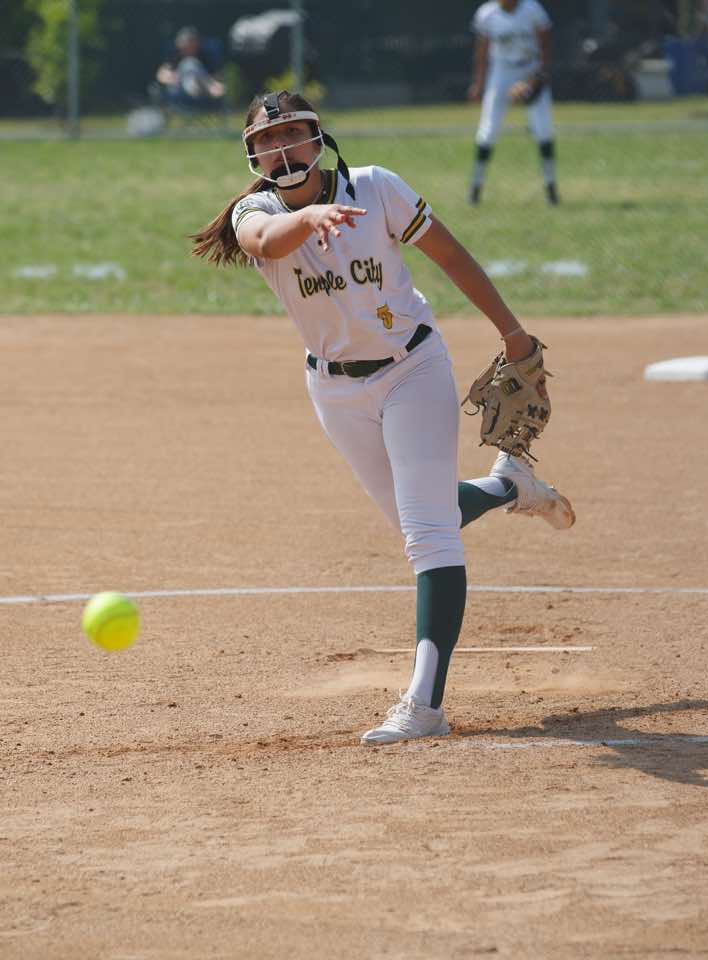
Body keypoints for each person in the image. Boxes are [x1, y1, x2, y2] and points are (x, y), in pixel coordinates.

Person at [191, 90, 575, 745]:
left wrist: (512, 333)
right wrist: (310, 218)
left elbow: (451, 256)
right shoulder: (255, 212)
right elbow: (263, 240)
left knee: (429, 536)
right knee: (422, 518)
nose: (282, 148)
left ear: (318, 138)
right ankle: (510, 486)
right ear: (253, 154)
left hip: (412, 370)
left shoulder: (376, 188)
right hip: (334, 391)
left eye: (292, 133)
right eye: (267, 140)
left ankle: (425, 705)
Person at [467, 0, 559, 206]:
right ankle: (475, 187)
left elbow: (545, 43)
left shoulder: (532, 9)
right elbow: (482, 51)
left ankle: (551, 188)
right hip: (501, 71)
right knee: (488, 129)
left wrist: (539, 75)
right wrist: (478, 84)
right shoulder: (487, 13)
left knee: (544, 129)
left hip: (529, 68)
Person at [153, 26, 226, 110]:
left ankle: (197, 92)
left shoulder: (206, 54)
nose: (185, 46)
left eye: (190, 42)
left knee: (191, 64)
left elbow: (216, 76)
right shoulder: (175, 55)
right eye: (182, 42)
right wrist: (175, 78)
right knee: (189, 64)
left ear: (197, 43)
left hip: (203, 87)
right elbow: (161, 75)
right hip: (180, 87)